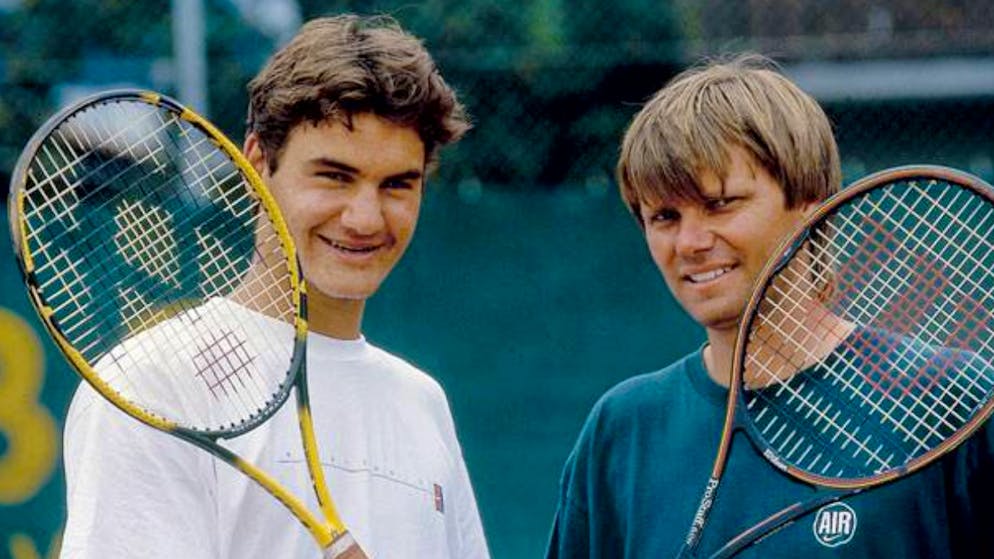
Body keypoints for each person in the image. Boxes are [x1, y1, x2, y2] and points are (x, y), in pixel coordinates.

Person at [60, 15, 490, 559]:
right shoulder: (150, 386)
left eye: (397, 185)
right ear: (258, 162)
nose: (364, 218)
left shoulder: (422, 403)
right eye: (334, 176)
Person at [546, 54, 993, 558]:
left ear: (810, 205)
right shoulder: (621, 432)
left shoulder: (956, 401)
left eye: (721, 203)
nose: (690, 241)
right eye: (664, 216)